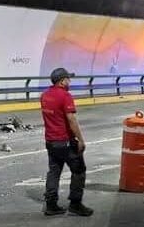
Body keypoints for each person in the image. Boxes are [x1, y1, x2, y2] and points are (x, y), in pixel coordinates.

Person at [40, 67, 93, 217]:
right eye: (68, 79)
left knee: (54, 172)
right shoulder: (65, 96)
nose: (70, 81)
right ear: (62, 81)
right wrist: (81, 140)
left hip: (51, 141)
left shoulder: (44, 95)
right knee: (79, 171)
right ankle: (75, 204)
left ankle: (51, 204)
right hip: (65, 142)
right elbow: (71, 119)